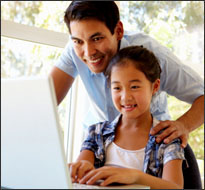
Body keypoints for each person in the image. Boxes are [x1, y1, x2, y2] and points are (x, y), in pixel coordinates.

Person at [50, 1, 204, 148]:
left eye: (97, 39)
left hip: (150, 148)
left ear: (118, 31)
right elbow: (46, 99)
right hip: (102, 146)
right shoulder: (74, 49)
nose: (88, 52)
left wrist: (183, 125)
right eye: (78, 41)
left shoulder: (154, 56)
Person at [69, 45, 185, 189]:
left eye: (134, 87)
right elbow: (82, 172)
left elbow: (175, 187)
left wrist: (135, 177)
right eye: (117, 88)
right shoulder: (97, 133)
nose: (125, 97)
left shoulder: (167, 138)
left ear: (155, 87)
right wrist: (81, 168)